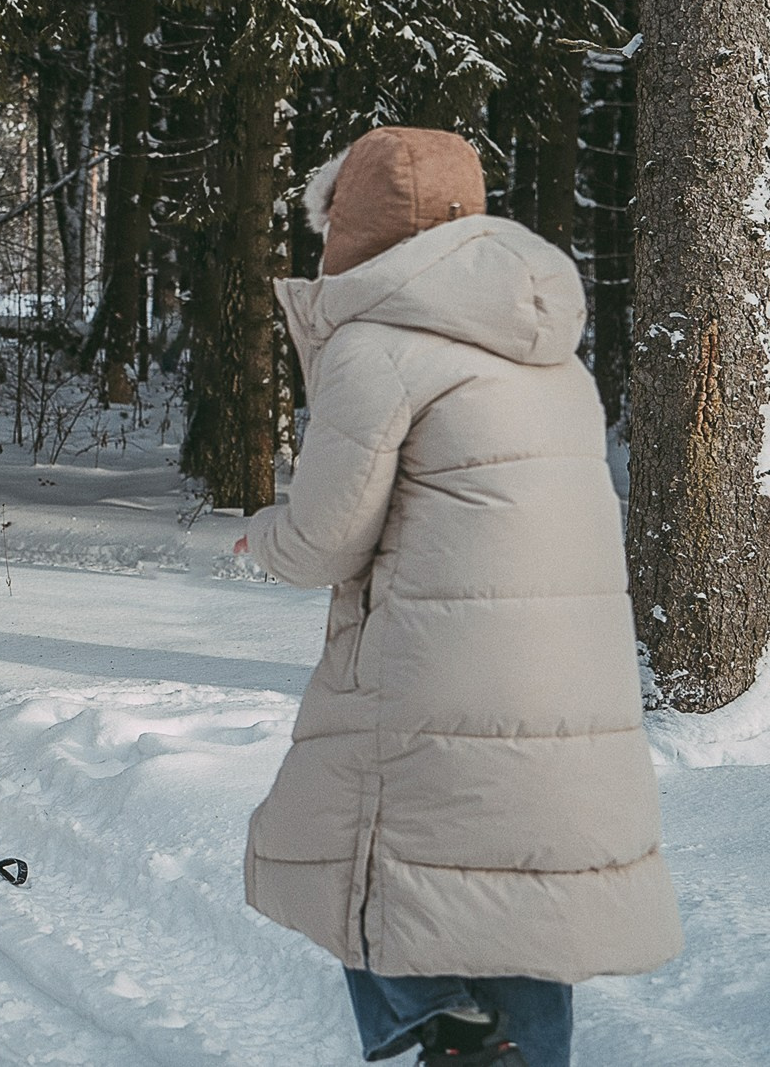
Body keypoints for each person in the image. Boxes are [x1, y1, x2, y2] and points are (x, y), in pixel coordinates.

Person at [233, 126, 681, 1067]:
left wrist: (258, 539)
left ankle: (449, 1018)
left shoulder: (376, 349)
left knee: (347, 853)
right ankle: (506, 1043)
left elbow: (326, 536)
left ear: (350, 232)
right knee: (520, 896)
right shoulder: (552, 352)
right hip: (567, 695)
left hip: (430, 683)